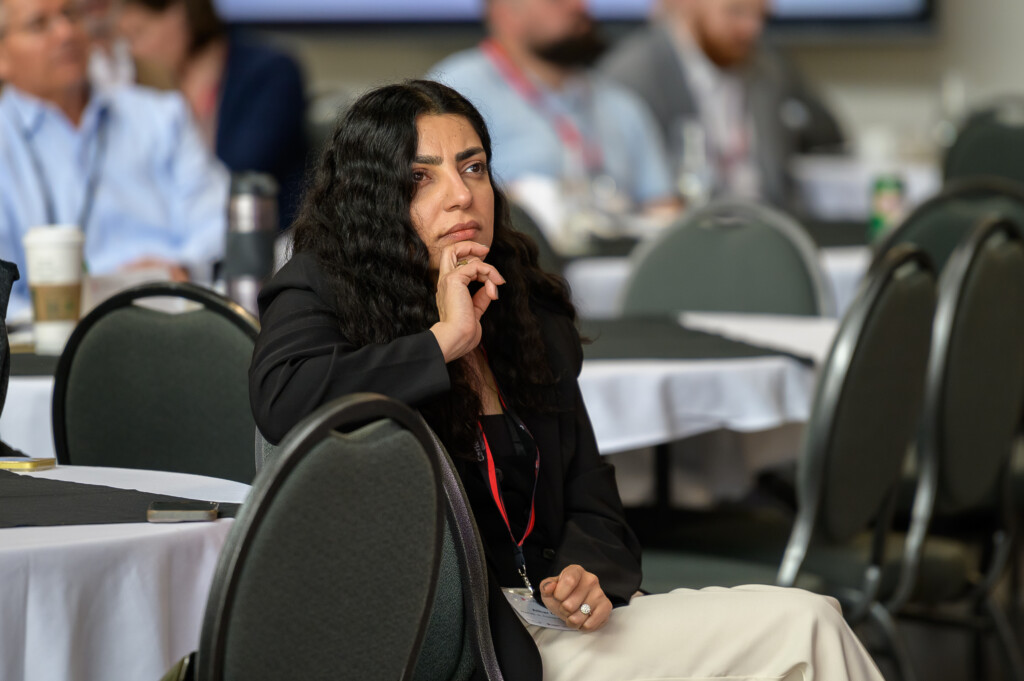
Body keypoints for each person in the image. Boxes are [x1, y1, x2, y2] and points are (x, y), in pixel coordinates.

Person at [249, 79, 886, 681]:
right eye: (420, 177)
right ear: (372, 202)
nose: (461, 194)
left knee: (811, 623)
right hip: (451, 645)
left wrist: (586, 571)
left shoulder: (525, 311)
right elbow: (284, 402)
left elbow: (594, 503)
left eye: (473, 168)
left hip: (553, 623)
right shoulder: (322, 288)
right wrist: (443, 343)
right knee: (807, 630)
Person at [0, 0, 229, 320]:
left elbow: (218, 224)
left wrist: (181, 269)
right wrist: (66, 311)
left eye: (70, 14)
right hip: (47, 345)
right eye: (39, 25)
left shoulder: (162, 117)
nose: (65, 32)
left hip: (173, 317)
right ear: (2, 57)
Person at [426, 0, 678, 215]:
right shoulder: (455, 90)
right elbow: (432, 197)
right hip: (510, 265)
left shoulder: (622, 104)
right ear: (506, 13)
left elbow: (663, 209)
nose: (577, 6)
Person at [600, 0, 845, 208]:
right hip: (691, 240)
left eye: (762, 16)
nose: (752, 29)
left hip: (767, 230)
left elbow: (830, 134)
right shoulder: (633, 76)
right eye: (735, 12)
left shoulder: (769, 67)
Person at [118, 0, 308, 227]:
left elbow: (241, 174)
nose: (134, 51)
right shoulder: (143, 88)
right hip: (179, 241)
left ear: (180, 15)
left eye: (138, 33)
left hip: (265, 241)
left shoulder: (271, 72)